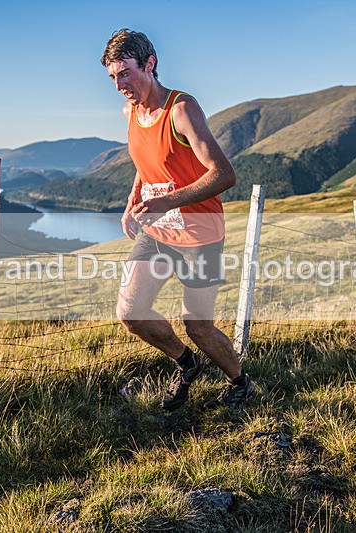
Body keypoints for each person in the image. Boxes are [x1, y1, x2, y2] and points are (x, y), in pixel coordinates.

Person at [100, 29, 253, 411]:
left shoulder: (182, 109)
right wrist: (133, 199)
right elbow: (148, 161)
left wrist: (166, 200)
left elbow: (224, 174)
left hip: (200, 231)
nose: (120, 85)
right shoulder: (130, 111)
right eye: (113, 77)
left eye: (126, 73)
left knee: (197, 325)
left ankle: (240, 382)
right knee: (131, 313)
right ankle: (187, 364)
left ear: (150, 65)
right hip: (158, 231)